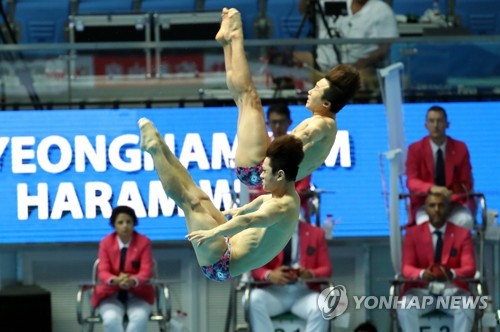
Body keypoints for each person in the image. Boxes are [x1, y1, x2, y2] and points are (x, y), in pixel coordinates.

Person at [139, 118, 304, 281]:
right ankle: (160, 144)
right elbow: (263, 200)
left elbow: (248, 221)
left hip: (222, 263)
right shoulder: (287, 193)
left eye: (265, 171)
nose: (261, 175)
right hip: (230, 242)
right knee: (200, 196)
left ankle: (154, 150)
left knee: (190, 203)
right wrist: (242, 209)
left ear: (280, 175)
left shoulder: (280, 207)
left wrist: (212, 233)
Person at [217, 7, 360, 188]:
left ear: (326, 103)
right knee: (243, 100)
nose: (310, 91)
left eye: (316, 88)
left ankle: (236, 35)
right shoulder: (327, 123)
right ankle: (227, 44)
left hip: (260, 170)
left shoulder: (325, 124)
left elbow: (309, 134)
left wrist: (289, 143)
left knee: (249, 99)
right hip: (258, 172)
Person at [396, 193, 476, 332]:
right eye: (432, 205)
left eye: (441, 205)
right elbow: (406, 268)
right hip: (422, 291)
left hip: (452, 290)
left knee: (467, 305)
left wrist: (451, 273)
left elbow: (470, 268)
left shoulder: (462, 234)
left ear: (448, 208)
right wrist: (421, 274)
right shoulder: (412, 234)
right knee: (404, 306)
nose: (437, 209)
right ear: (426, 209)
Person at [248, 220, 332, 331]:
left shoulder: (316, 233)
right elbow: (254, 267)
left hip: (303, 291)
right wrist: (269, 275)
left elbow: (327, 269)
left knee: (323, 307)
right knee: (254, 299)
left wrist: (311, 274)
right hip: (274, 291)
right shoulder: (264, 232)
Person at [297, 0, 398, 91]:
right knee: (293, 59)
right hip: (322, 63)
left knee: (361, 79)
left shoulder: (382, 9)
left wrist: (363, 62)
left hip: (360, 66)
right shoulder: (333, 2)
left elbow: (385, 47)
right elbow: (304, 9)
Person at [406, 105, 474, 229]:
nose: (435, 125)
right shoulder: (415, 149)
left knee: (465, 221)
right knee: (425, 225)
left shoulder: (460, 148)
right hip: (426, 204)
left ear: (447, 124)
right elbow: (411, 181)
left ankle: (457, 249)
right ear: (426, 125)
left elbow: (466, 184)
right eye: (431, 121)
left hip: (453, 203)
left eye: (440, 121)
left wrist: (449, 197)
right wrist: (433, 189)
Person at [91, 205, 155, 332]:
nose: (125, 226)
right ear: (114, 225)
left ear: (134, 223)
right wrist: (115, 280)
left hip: (139, 294)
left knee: (139, 318)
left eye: (128, 222)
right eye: (120, 222)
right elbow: (103, 271)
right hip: (109, 294)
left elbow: (146, 271)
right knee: (110, 319)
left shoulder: (144, 242)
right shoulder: (105, 242)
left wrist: (132, 280)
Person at [249, 101, 313, 222]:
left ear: (289, 122)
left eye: (281, 122)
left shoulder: (299, 148)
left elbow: (304, 182)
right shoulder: (260, 150)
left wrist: (284, 200)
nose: (278, 126)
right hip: (264, 203)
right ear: (267, 123)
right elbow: (256, 183)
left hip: (292, 204)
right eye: (274, 122)